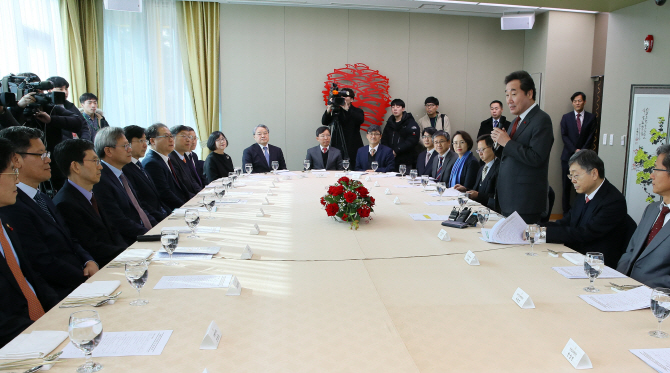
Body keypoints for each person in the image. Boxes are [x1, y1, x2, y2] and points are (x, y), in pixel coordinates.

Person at [0, 127, 97, 299]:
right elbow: (42, 262)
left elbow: (70, 238)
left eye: (47, 153)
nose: (48, 160)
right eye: (40, 155)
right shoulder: (12, 205)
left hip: (80, 278)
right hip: (61, 291)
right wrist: (85, 279)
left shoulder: (42, 197)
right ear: (16, 159)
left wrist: (88, 260)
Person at [0, 137, 59, 348]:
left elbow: (31, 278)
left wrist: (60, 312)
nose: (17, 180)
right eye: (12, 173)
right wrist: (41, 335)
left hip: (42, 326)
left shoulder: (5, 222)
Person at [540, 150, 634, 267]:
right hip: (575, 256)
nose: (573, 180)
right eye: (571, 175)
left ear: (594, 173)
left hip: (597, 265)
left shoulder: (613, 201)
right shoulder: (583, 194)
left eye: (576, 175)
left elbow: (585, 233)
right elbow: (566, 222)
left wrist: (543, 234)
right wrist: (536, 227)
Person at [491, 70, 554, 223]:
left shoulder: (542, 120)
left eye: (513, 94)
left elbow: (537, 157)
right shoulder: (516, 121)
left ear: (529, 93)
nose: (509, 100)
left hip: (525, 200)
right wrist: (499, 144)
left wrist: (507, 142)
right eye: (506, 95)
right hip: (509, 197)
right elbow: (510, 155)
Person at [52, 139, 127, 267]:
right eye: (95, 161)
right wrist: (130, 254)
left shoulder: (90, 193)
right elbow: (92, 247)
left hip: (118, 259)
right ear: (76, 166)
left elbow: (113, 231)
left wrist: (131, 252)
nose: (100, 166)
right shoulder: (65, 203)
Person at [10, 73, 84, 192]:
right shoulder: (13, 110)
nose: (36, 95)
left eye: (39, 91)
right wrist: (19, 107)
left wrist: (51, 120)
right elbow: (6, 128)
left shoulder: (51, 108)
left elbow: (78, 122)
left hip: (53, 166)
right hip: (24, 168)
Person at [617, 145, 670, 288]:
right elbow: (631, 251)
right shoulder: (652, 209)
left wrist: (644, 289)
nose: (651, 175)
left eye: (657, 170)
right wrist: (618, 281)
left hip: (657, 298)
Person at [93, 127, 156, 246]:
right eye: (125, 146)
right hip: (129, 243)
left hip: (142, 234)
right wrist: (150, 234)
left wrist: (158, 227)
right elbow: (118, 221)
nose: (130, 150)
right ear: (108, 151)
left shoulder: (120, 173)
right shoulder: (101, 179)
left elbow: (139, 208)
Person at [122, 125, 170, 222]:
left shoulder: (138, 164)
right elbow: (140, 202)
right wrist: (162, 219)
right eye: (140, 141)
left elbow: (157, 198)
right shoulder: (125, 169)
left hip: (161, 214)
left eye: (145, 141)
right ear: (127, 143)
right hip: (152, 220)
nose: (145, 145)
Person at [560, 92, 596, 213]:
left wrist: (582, 151)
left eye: (579, 101)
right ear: (572, 103)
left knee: (582, 186)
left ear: (584, 102)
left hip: (584, 159)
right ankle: (566, 214)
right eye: (575, 101)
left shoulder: (591, 118)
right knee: (566, 187)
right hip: (567, 157)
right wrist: (575, 150)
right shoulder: (566, 117)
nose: (577, 103)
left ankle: (578, 213)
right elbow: (564, 136)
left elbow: (591, 136)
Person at [142, 123, 190, 209]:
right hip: (170, 211)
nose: (171, 140)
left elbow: (180, 187)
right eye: (166, 136)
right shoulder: (152, 163)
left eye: (171, 136)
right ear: (152, 141)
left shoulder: (166, 158)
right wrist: (185, 207)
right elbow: (164, 194)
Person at [454, 135, 499, 210]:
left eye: (482, 150)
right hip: (478, 209)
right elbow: (477, 190)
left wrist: (478, 195)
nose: (480, 153)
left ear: (493, 148)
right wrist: (465, 190)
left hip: (492, 211)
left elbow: (497, 197)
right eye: (478, 150)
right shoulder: (482, 168)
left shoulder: (499, 168)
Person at [321, 88, 365, 164]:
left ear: (352, 100)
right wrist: (328, 110)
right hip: (337, 143)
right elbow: (325, 122)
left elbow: (360, 120)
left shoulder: (357, 111)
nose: (343, 98)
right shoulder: (336, 110)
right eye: (341, 96)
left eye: (345, 96)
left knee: (353, 167)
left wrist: (347, 110)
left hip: (353, 144)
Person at [381, 99, 420, 171]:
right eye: (393, 107)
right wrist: (389, 152)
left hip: (406, 161)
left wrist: (396, 150)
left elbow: (412, 140)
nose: (395, 109)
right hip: (390, 159)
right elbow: (384, 139)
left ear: (403, 109)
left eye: (398, 107)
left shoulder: (410, 123)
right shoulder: (389, 123)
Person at [46, 76, 89, 141]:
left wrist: (85, 141)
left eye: (66, 89)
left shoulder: (70, 105)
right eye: (60, 89)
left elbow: (84, 126)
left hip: (79, 145)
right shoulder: (47, 108)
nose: (65, 92)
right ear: (49, 90)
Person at [169, 125, 202, 194]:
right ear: (172, 138)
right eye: (184, 136)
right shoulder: (170, 159)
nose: (189, 140)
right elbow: (181, 189)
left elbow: (192, 181)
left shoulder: (183, 157)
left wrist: (202, 193)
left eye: (189, 137)